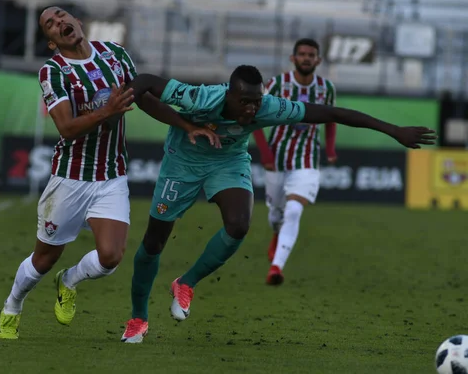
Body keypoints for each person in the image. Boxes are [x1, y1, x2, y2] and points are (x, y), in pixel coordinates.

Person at [119, 65, 436, 343]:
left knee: (239, 224)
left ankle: (186, 283)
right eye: (244, 102)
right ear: (229, 95)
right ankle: (138, 318)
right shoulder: (199, 98)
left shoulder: (269, 107)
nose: (251, 109)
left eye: (256, 101)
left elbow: (332, 114)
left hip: (227, 162)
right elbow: (144, 83)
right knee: (154, 242)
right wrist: (185, 125)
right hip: (182, 163)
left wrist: (394, 130)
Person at [0, 7, 218, 340]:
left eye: (62, 16)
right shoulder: (53, 71)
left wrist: (186, 125)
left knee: (111, 257)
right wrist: (107, 111)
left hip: (111, 175)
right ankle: (12, 307)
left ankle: (68, 280)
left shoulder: (115, 54)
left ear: (78, 22)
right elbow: (67, 127)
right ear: (52, 42)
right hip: (70, 177)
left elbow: (144, 99)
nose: (59, 22)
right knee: (44, 258)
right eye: (50, 24)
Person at [252, 38, 336, 286]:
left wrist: (330, 148)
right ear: (293, 58)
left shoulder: (326, 88)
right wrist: (265, 153)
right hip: (277, 158)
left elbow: (331, 117)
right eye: (302, 54)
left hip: (307, 159)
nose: (306, 58)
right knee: (276, 215)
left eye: (311, 55)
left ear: (318, 60)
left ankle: (276, 267)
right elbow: (254, 115)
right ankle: (276, 234)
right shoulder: (277, 84)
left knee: (294, 210)